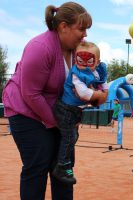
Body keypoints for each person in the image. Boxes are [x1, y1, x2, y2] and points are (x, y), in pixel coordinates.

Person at [2, 2, 95, 199]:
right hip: (26, 110)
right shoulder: (40, 47)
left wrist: (93, 96)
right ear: (63, 26)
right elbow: (31, 94)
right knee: (38, 164)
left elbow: (80, 85)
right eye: (81, 28)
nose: (85, 34)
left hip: (57, 112)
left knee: (64, 167)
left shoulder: (77, 51)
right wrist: (59, 123)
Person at [52, 41, 108, 184]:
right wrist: (100, 94)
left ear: (97, 61)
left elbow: (103, 83)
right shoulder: (76, 73)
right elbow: (83, 93)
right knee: (69, 136)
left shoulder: (99, 70)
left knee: (73, 136)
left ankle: (67, 164)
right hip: (66, 109)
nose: (83, 64)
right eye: (79, 60)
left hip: (76, 110)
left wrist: (103, 91)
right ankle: (62, 166)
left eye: (89, 61)